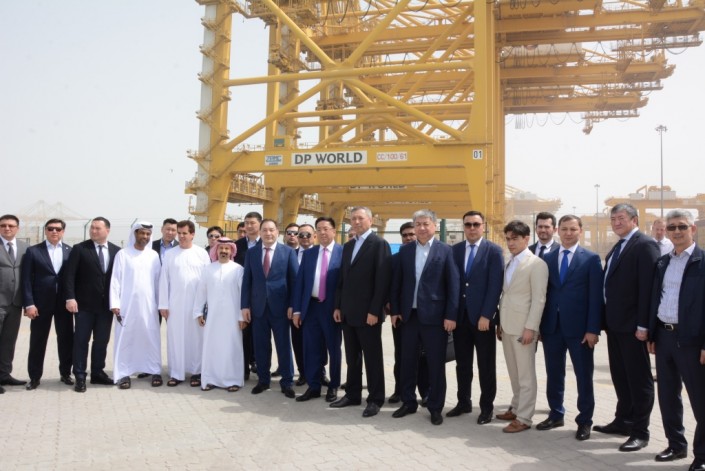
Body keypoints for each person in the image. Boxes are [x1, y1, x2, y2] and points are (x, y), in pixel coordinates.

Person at [594, 203, 659, 452]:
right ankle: (623, 421)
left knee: (639, 380)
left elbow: (648, 288)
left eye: (621, 218)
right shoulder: (618, 246)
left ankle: (640, 431)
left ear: (635, 220)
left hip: (634, 327)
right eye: (613, 219)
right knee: (621, 377)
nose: (616, 223)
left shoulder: (644, 245)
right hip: (615, 325)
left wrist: (644, 325)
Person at [535, 215, 603, 441]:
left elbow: (596, 298)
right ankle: (556, 413)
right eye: (564, 229)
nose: (568, 233)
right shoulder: (547, 258)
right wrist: (540, 326)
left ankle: (584, 421)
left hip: (580, 330)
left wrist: (593, 329)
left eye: (573, 229)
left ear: (580, 231)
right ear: (558, 231)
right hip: (552, 327)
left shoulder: (591, 259)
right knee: (554, 373)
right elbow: (543, 293)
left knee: (583, 376)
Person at [647, 210, 705, 470]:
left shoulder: (702, 262)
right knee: (668, 396)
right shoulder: (663, 263)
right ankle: (675, 445)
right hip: (664, 337)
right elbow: (655, 299)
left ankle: (702, 455)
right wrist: (652, 333)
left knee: (700, 400)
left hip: (692, 340)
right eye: (672, 227)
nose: (677, 231)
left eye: (682, 226)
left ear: (692, 229)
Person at [390, 210, 459, 426]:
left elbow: (453, 286)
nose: (421, 228)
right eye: (417, 224)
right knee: (407, 361)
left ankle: (435, 407)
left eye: (425, 224)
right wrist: (395, 310)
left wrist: (451, 315)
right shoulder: (406, 251)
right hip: (409, 317)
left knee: (435, 364)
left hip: (435, 318)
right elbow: (397, 283)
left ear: (434, 226)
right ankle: (408, 402)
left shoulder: (446, 251)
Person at [332, 206, 391, 418]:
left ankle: (375, 398)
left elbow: (382, 281)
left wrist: (375, 311)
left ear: (370, 220)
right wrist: (338, 306)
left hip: (368, 314)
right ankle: (353, 394)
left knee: (372, 358)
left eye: (360, 218)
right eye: (353, 218)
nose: (356, 222)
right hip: (348, 312)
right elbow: (342, 280)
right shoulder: (348, 246)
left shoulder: (379, 244)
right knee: (352, 358)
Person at [448, 210, 504, 424]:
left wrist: (487, 315)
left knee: (485, 366)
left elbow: (495, 286)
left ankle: (486, 408)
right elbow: (452, 285)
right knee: (462, 365)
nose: (472, 228)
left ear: (483, 226)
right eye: (468, 224)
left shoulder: (494, 251)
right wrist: (451, 315)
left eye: (476, 224)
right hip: (461, 319)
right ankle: (463, 402)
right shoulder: (455, 250)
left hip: (482, 320)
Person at [495, 220, 548, 433]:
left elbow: (539, 299)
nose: (510, 243)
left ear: (526, 238)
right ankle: (516, 407)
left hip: (523, 328)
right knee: (514, 372)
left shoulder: (536, 264)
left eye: (515, 239)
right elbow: (506, 294)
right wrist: (500, 323)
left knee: (526, 375)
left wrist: (531, 328)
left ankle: (524, 417)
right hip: (507, 325)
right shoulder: (510, 262)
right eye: (508, 239)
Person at [241, 219, 298, 398]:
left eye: (271, 230)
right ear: (260, 232)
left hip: (281, 308)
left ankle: (287, 382)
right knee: (261, 346)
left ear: (277, 232)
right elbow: (247, 281)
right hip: (258, 308)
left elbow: (295, 281)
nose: (268, 233)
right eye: (264, 230)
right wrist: (244, 306)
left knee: (283, 346)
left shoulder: (288, 252)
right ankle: (263, 380)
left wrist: (293, 305)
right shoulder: (252, 253)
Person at [63, 216, 120, 393]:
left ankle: (97, 373)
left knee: (101, 341)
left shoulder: (117, 251)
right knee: (81, 341)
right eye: (92, 228)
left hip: (106, 307)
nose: (93, 231)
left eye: (97, 228)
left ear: (107, 230)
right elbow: (69, 275)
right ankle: (80, 376)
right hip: (84, 306)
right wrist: (70, 298)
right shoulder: (80, 249)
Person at [292, 217, 343, 403]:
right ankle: (313, 386)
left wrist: (339, 307)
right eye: (319, 229)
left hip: (332, 308)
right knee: (311, 348)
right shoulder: (309, 254)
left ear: (334, 231)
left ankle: (333, 385)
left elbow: (345, 284)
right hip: (311, 307)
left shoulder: (343, 253)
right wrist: (297, 310)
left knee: (333, 348)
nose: (322, 232)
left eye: (326, 228)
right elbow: (300, 283)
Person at [21, 219, 73, 390]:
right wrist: (29, 304)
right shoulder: (33, 251)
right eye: (50, 229)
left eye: (58, 229)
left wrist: (72, 299)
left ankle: (65, 373)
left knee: (66, 339)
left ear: (63, 231)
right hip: (40, 304)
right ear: (45, 231)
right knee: (38, 340)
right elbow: (26, 280)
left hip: (63, 304)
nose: (54, 232)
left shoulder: (70, 251)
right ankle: (34, 377)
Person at [109, 222, 162, 389]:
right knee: (126, 339)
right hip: (127, 306)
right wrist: (115, 303)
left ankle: (154, 370)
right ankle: (123, 373)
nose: (145, 236)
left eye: (148, 234)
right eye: (142, 233)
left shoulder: (153, 255)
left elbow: (158, 282)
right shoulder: (123, 254)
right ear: (135, 234)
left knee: (151, 337)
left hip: (149, 306)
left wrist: (161, 304)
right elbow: (115, 280)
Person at [158, 220, 210, 387]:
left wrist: (206, 306)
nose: (180, 236)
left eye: (184, 233)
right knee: (176, 339)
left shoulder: (202, 254)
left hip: (197, 305)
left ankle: (197, 372)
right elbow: (164, 281)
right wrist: (163, 305)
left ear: (192, 234)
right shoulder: (170, 254)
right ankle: (176, 373)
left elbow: (207, 281)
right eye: (179, 233)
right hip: (175, 305)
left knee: (197, 339)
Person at [194, 238, 246, 391]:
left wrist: (241, 316)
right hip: (213, 317)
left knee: (232, 347)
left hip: (232, 317)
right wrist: (198, 312)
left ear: (231, 251)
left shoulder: (238, 269)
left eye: (227, 248)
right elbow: (201, 292)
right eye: (221, 248)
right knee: (212, 347)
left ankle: (233, 380)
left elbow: (242, 295)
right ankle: (210, 379)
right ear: (216, 250)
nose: (223, 251)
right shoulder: (208, 269)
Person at [388, 222, 427, 405]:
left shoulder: (427, 255)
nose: (409, 238)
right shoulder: (396, 259)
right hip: (402, 317)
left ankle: (426, 392)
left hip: (425, 315)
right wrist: (393, 310)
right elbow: (391, 287)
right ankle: (399, 390)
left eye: (412, 234)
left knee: (424, 356)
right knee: (401, 355)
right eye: (405, 235)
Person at [0, 214, 29, 392]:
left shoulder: (25, 248)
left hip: (15, 304)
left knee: (9, 342)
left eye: (11, 225)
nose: (7, 228)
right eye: (3, 225)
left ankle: (4, 375)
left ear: (17, 228)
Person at [235, 212, 262, 379]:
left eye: (252, 223)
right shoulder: (236, 246)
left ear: (260, 224)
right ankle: (243, 369)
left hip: (261, 297)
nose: (249, 226)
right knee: (244, 333)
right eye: (246, 223)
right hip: (241, 295)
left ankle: (260, 366)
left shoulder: (267, 244)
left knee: (261, 335)